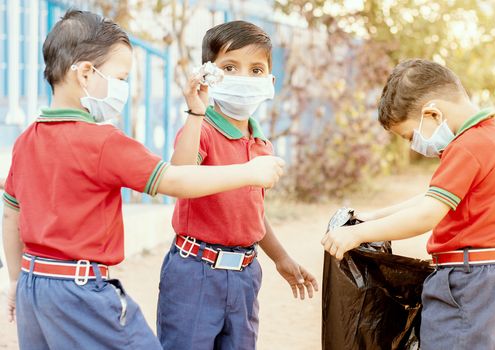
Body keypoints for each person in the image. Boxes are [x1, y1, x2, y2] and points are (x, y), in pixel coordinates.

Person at [2, 10, 284, 350]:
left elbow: (10, 212)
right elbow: (176, 181)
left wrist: (15, 281)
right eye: (120, 78)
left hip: (35, 283)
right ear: (87, 74)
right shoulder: (105, 142)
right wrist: (249, 172)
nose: (123, 89)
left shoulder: (26, 140)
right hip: (82, 288)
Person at [322, 59, 495, 350]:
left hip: (466, 283)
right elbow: (431, 199)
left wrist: (357, 234)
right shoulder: (492, 136)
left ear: (432, 113)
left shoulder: (466, 147)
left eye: (409, 136)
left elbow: (427, 214)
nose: (413, 145)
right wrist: (373, 217)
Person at [156, 20, 318, 350]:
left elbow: (252, 211)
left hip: (245, 275)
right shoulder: (199, 129)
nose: (244, 78)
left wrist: (280, 257)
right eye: (229, 67)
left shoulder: (261, 145)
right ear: (207, 74)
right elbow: (180, 175)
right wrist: (195, 112)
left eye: (256, 70)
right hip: (194, 273)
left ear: (271, 82)